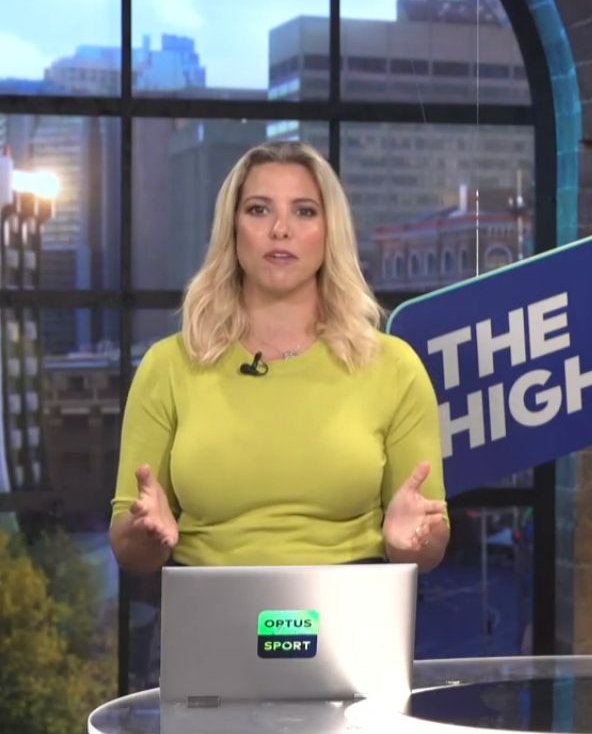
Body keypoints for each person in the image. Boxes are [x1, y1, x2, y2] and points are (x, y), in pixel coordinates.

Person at [109, 141, 449, 573]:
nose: (280, 229)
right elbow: (130, 551)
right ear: (232, 229)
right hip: (209, 602)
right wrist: (144, 533)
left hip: (350, 603)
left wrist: (412, 542)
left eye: (304, 211)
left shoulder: (393, 366)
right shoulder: (169, 366)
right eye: (258, 210)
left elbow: (430, 544)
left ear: (330, 231)